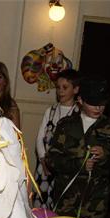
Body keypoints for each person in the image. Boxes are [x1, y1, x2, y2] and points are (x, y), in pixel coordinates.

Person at [45, 78, 110, 218]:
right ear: (81, 100)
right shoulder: (66, 125)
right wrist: (79, 164)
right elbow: (52, 160)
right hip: (66, 198)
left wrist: (104, 156)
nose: (98, 108)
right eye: (93, 103)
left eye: (102, 104)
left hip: (95, 202)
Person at [33, 69, 80, 209]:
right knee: (41, 202)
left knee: (59, 203)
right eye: (58, 87)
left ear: (76, 89)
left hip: (65, 169)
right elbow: (40, 139)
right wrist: (43, 160)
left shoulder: (78, 114)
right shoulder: (51, 111)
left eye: (65, 88)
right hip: (45, 167)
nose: (60, 91)